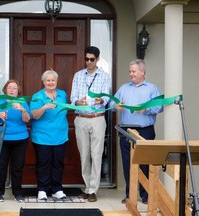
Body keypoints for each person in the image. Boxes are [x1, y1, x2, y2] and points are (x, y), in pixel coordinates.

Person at [110, 59, 163, 204]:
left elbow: (160, 107)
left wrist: (146, 109)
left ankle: (146, 196)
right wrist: (116, 106)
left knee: (145, 164)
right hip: (126, 131)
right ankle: (130, 196)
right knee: (128, 164)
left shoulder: (152, 89)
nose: (131, 74)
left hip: (145, 131)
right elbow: (111, 103)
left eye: (133, 71)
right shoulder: (124, 88)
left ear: (142, 72)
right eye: (130, 71)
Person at [70, 46, 111, 202]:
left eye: (92, 59)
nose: (89, 62)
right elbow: (73, 97)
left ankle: (93, 189)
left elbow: (107, 97)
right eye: (86, 59)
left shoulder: (104, 76)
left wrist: (102, 100)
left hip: (97, 117)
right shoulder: (78, 75)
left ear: (98, 59)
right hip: (81, 117)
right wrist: (77, 101)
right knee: (84, 155)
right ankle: (87, 187)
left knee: (96, 154)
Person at [0, 79, 31, 203]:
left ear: (18, 91)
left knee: (17, 167)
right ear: (5, 90)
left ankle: (17, 193)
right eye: (9, 88)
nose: (12, 90)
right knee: (1, 166)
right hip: (2, 138)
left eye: (14, 88)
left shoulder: (22, 102)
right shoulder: (0, 101)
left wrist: (23, 110)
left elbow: (27, 119)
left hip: (20, 138)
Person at [30, 69, 69, 200]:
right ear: (43, 82)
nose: (51, 82)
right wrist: (44, 107)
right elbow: (34, 115)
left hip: (61, 136)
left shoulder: (63, 94)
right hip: (42, 137)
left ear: (56, 81)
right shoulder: (37, 96)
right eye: (48, 80)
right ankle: (42, 189)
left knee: (58, 163)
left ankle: (57, 189)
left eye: (53, 80)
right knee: (43, 163)